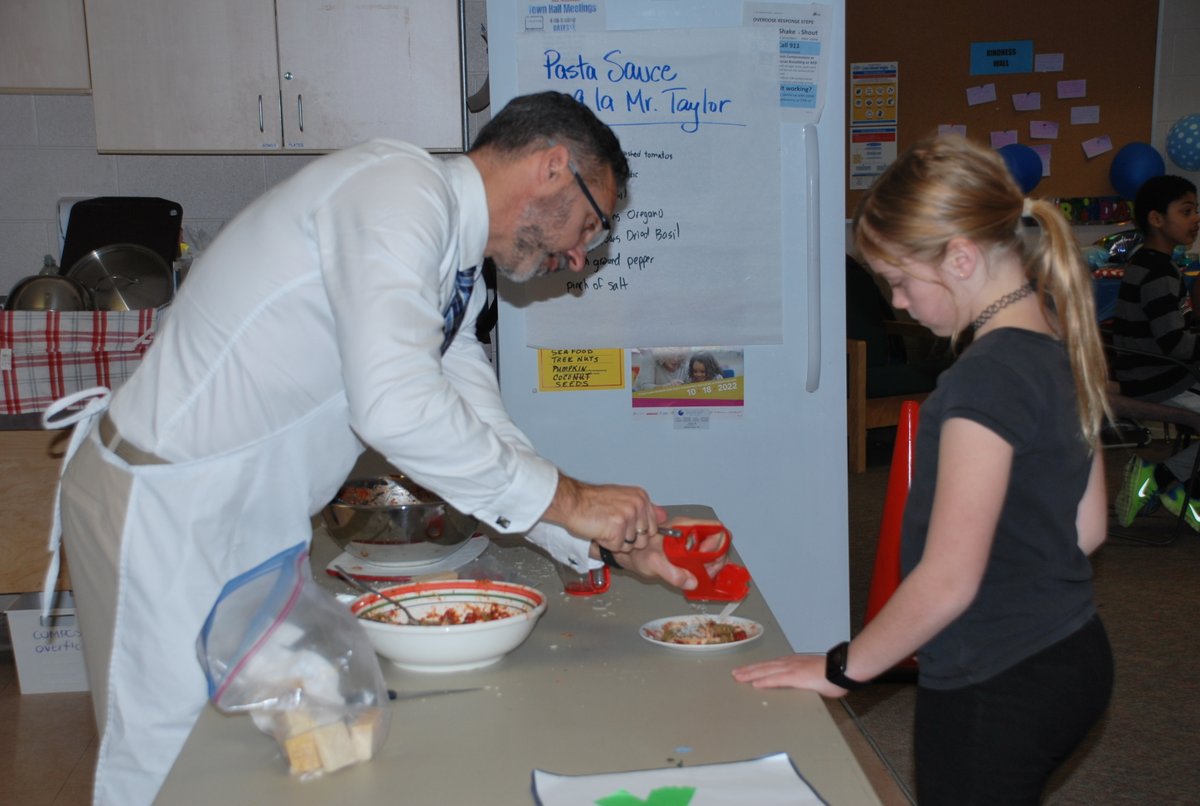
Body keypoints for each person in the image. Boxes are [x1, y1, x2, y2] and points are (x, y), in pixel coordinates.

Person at [43, 91, 720, 805]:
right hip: (164, 512)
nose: (580, 255)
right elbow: (396, 407)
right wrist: (575, 501)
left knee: (285, 750)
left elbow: (475, 424)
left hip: (249, 524)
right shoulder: (396, 194)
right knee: (170, 770)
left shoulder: (452, 264)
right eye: (590, 225)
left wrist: (593, 537)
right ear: (553, 167)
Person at [733, 136, 1113, 804]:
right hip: (1072, 655)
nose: (900, 304)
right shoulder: (1059, 341)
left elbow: (946, 582)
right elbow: (1087, 529)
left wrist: (842, 669)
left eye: (902, 282)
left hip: (995, 679)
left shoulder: (982, 381)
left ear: (960, 258)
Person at [1111, 174, 1200, 530]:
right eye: (1186, 210)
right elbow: (1176, 345)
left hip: (1157, 373)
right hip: (1160, 379)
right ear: (1156, 218)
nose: (1196, 218)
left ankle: (1166, 482)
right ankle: (1163, 479)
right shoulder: (1158, 273)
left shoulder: (1150, 263)